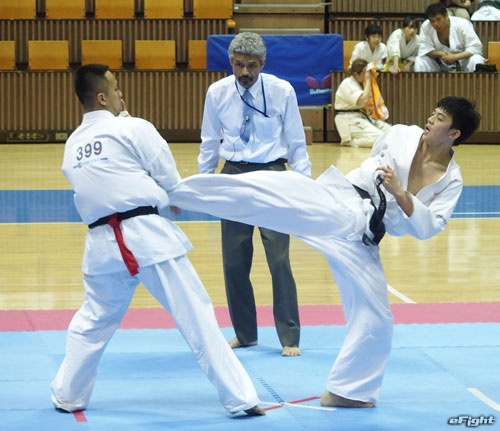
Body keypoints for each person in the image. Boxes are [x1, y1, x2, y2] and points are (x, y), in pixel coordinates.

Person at [169, 96, 481, 407]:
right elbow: (370, 164)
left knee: (377, 319)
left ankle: (348, 391)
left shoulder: (450, 180)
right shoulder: (400, 134)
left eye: (440, 118)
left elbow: (430, 226)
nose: (430, 118)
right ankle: (177, 192)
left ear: (454, 134)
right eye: (434, 112)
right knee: (272, 190)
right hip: (340, 203)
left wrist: (400, 193)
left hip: (364, 236)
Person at [50, 64, 265, 417]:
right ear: (103, 97)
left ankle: (67, 394)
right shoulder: (133, 127)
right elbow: (167, 174)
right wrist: (172, 198)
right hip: (145, 237)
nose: (122, 95)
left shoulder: (72, 143)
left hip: (102, 247)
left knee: (93, 320)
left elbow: (100, 183)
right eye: (116, 89)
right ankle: (241, 398)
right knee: (195, 314)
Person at [198, 32, 311, 357]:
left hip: (273, 174)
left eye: (251, 66)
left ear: (262, 64)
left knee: (279, 259)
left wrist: (303, 185)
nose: (244, 72)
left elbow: (296, 141)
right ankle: (245, 333)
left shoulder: (281, 91)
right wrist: (204, 186)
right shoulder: (217, 92)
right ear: (231, 63)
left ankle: (290, 338)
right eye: (238, 65)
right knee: (234, 263)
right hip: (233, 175)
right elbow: (209, 141)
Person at [334, 58, 391, 148]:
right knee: (380, 138)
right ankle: (351, 142)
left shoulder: (359, 83)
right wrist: (368, 81)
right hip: (347, 119)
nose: (368, 75)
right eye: (366, 73)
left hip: (360, 116)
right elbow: (362, 102)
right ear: (356, 74)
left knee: (391, 132)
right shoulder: (347, 84)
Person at [415, 2, 486, 72]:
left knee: (476, 59)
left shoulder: (463, 24)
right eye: (432, 21)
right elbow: (424, 48)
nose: (435, 24)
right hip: (440, 63)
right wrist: (441, 54)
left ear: (446, 15)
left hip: (463, 61)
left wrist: (455, 57)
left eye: (438, 19)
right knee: (420, 60)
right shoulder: (426, 26)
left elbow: (476, 47)